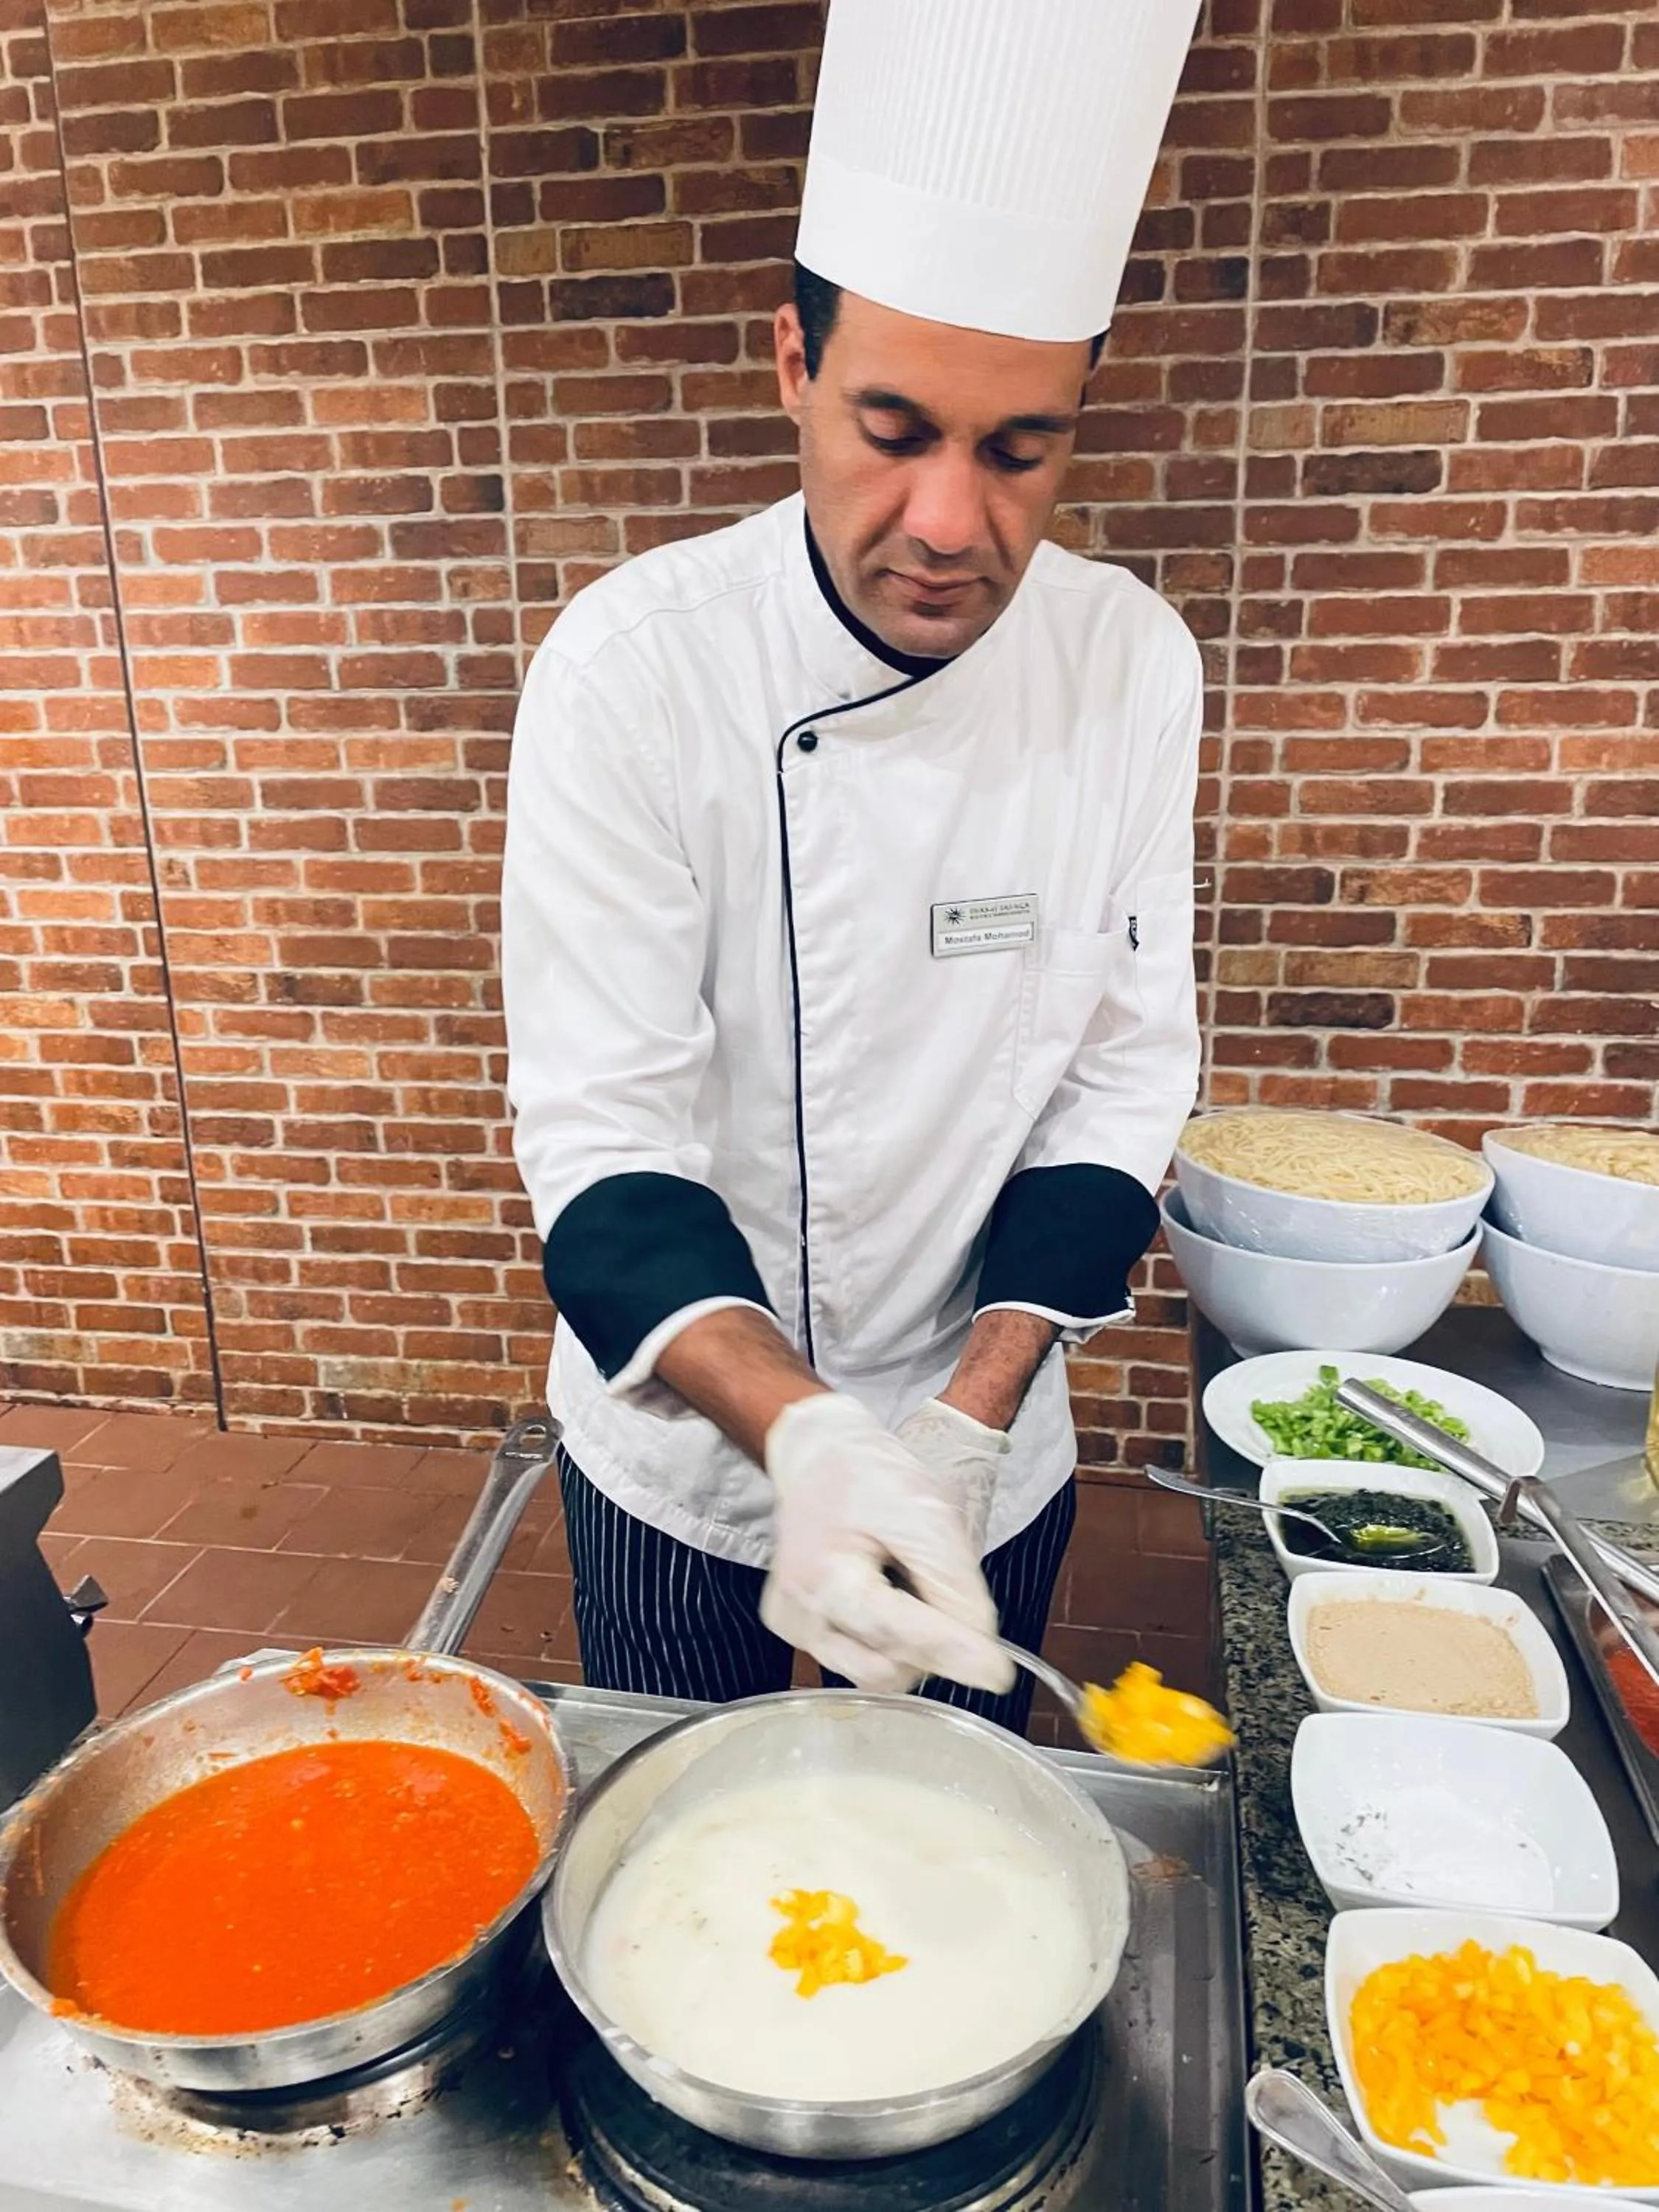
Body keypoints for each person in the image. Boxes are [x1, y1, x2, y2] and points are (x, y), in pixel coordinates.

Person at [502, 0, 1205, 1731]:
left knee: (959, 1829)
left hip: (989, 1421)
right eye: (896, 428)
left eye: (1020, 446)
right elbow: (608, 1145)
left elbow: (1118, 1079)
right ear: (793, 368)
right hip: (692, 1435)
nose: (955, 523)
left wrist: (963, 1425)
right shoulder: (634, 668)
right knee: (695, 1821)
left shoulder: (1131, 663)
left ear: (1081, 408)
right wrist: (812, 1438)